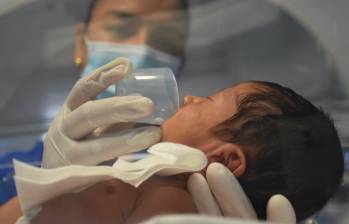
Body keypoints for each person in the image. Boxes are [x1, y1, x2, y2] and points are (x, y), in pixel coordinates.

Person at [3, 58, 344, 223]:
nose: (191, 98)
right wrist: (54, 183)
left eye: (208, 101)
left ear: (226, 160)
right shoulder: (148, 174)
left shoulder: (174, 203)